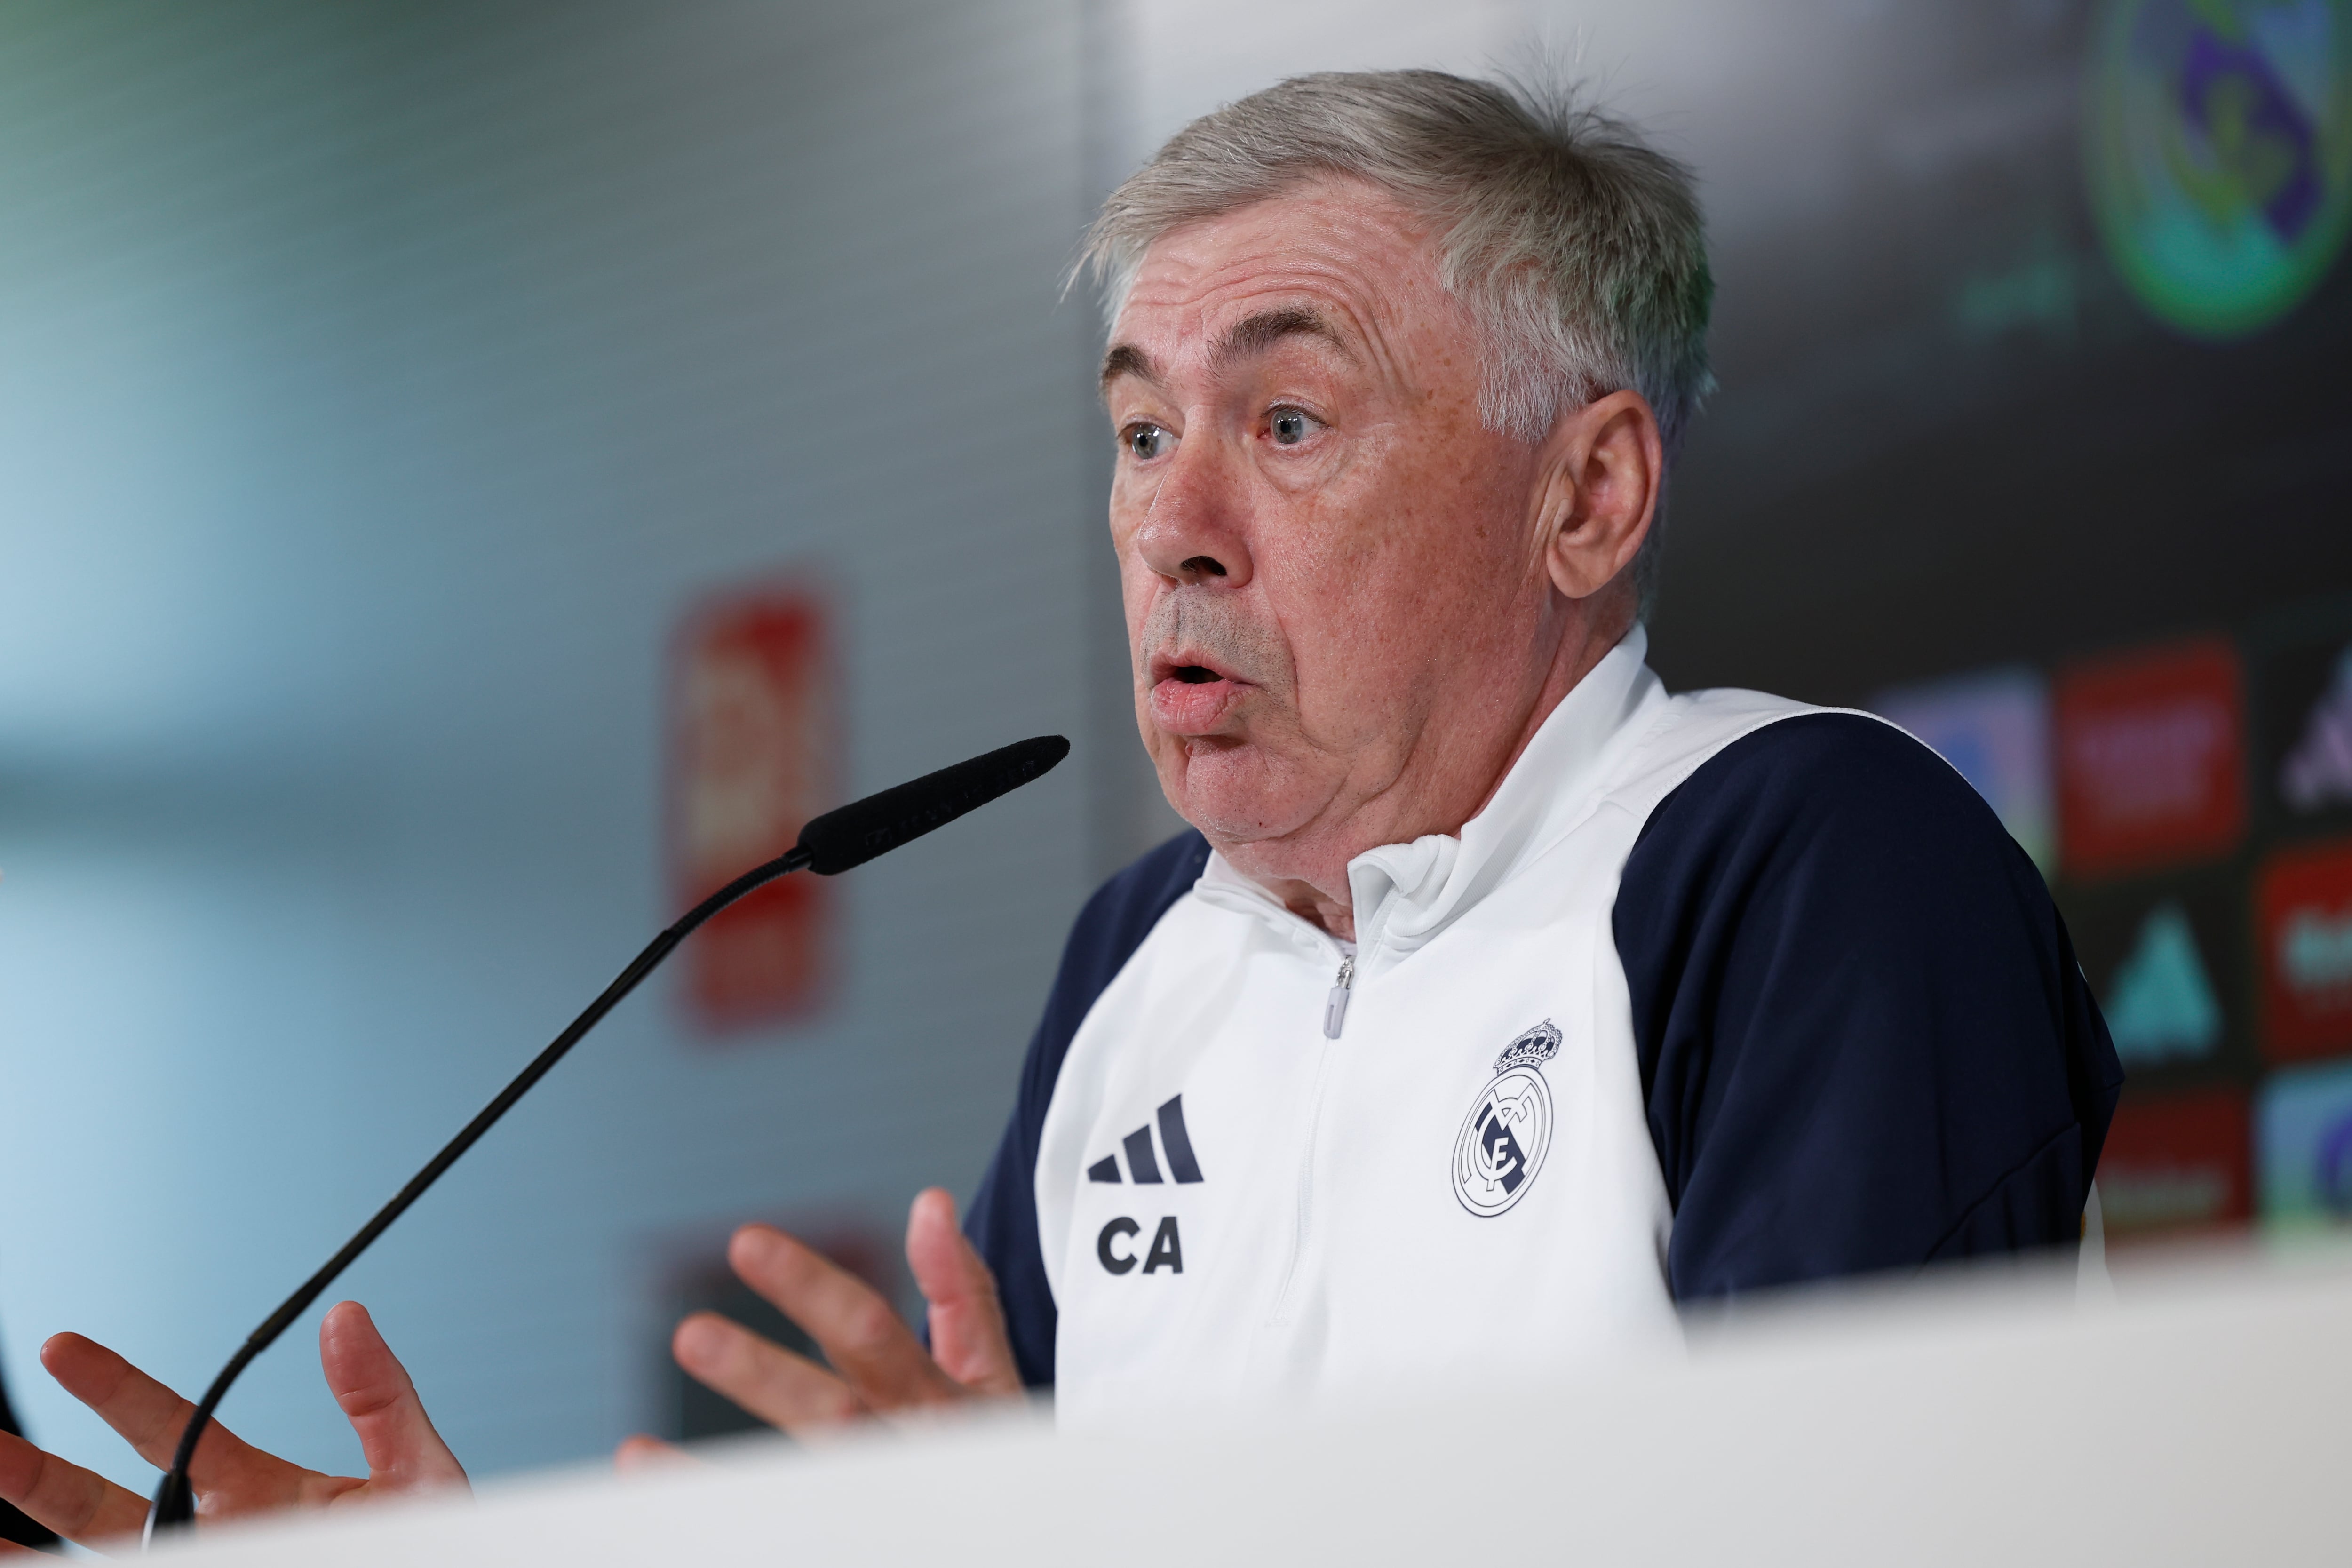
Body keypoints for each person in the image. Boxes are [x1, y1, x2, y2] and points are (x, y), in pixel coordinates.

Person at [0, 68, 2122, 1544]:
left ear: (1585, 495)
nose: (1171, 531)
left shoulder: (1804, 867)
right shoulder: (1138, 972)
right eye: (1133, 435)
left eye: (1285, 420)